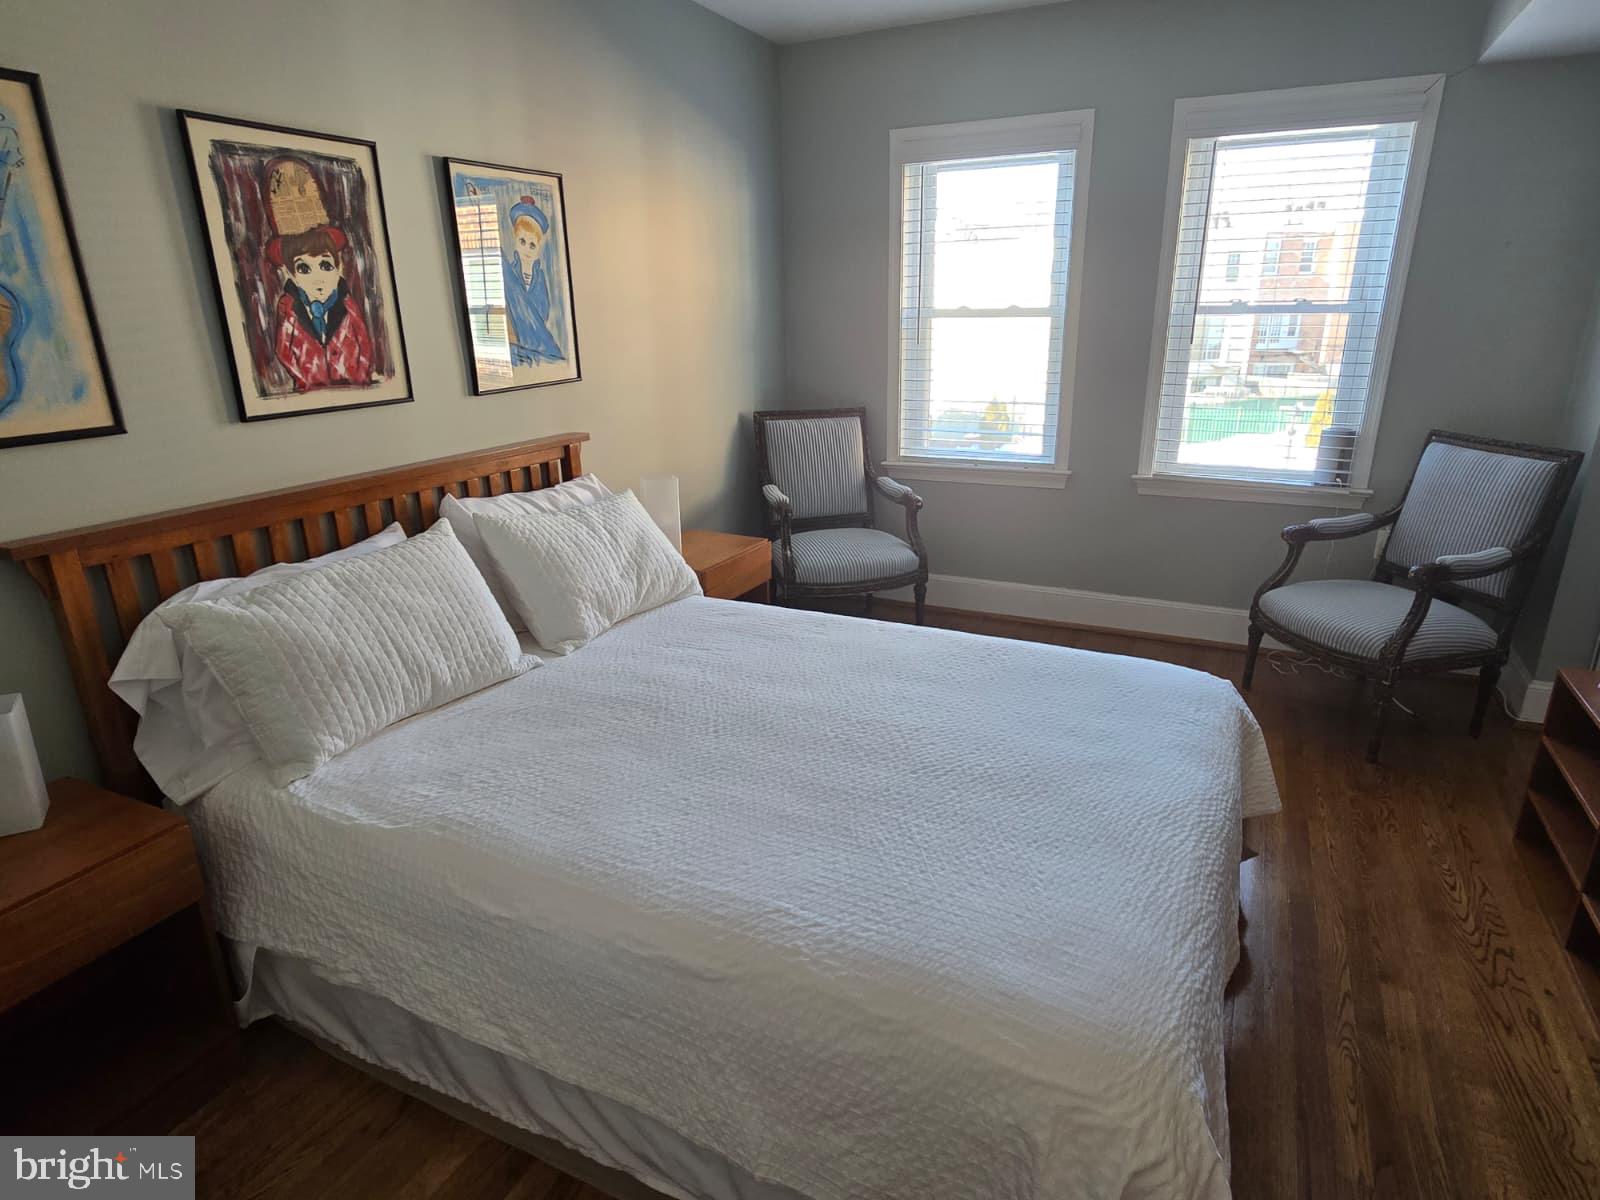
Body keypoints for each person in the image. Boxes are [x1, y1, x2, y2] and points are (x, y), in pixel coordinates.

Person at [266, 224, 376, 391]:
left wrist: (360, 379)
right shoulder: (288, 308)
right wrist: (303, 379)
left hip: (352, 385)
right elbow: (283, 350)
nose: (317, 278)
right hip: (311, 388)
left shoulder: (348, 305)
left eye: (325, 266)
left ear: (338, 268)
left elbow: (364, 344)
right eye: (304, 269)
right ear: (291, 276)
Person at [502, 197, 564, 367]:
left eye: (532, 245)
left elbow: (543, 310)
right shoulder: (510, 275)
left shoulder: (540, 278)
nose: (527, 250)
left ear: (538, 248)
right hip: (516, 343)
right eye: (522, 242)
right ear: (515, 241)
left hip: (535, 341)